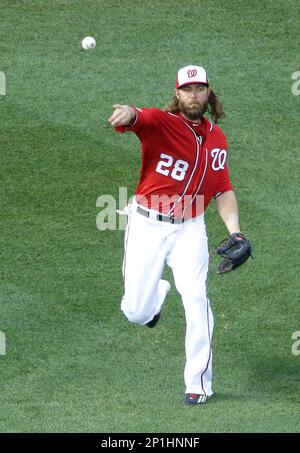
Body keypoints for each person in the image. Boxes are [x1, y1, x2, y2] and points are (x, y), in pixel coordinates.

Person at [108, 65, 243, 405]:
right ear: (177, 93)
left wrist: (236, 233)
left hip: (190, 230)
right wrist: (127, 113)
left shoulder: (217, 138)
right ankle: (156, 294)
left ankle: (198, 384)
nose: (193, 95)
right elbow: (139, 118)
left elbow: (223, 189)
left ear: (208, 92)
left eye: (200, 89)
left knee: (197, 299)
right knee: (135, 312)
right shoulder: (163, 124)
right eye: (187, 89)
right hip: (147, 225)